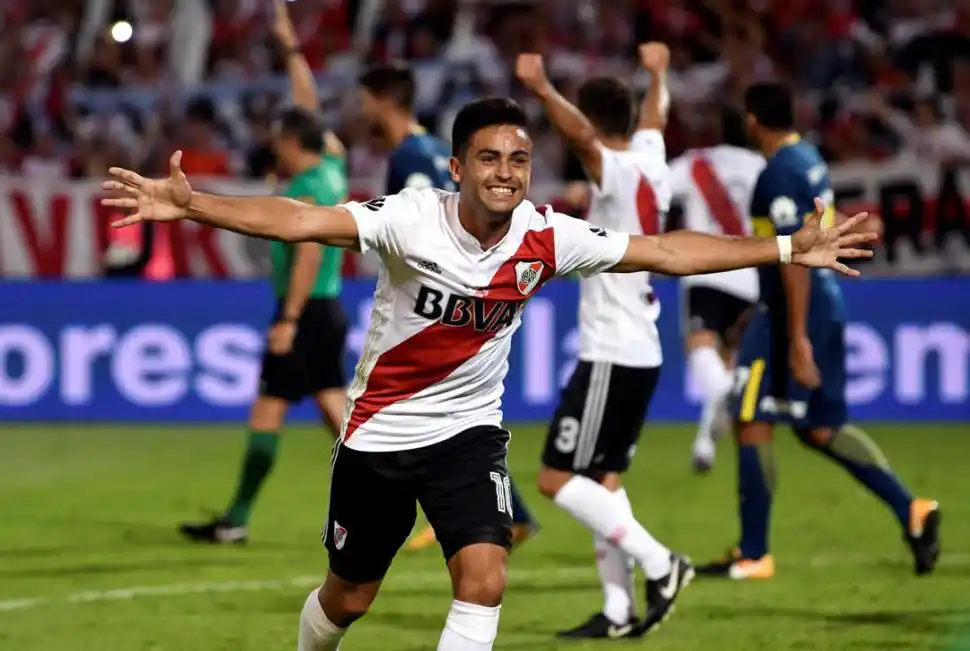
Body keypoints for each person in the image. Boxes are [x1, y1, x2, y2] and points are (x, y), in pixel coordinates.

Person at [102, 96, 876, 651]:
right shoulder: (410, 218)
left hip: (468, 435)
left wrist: (784, 249)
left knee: (484, 578)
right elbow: (302, 219)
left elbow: (666, 252)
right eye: (489, 158)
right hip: (379, 435)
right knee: (350, 596)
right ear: (457, 167)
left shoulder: (547, 236)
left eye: (519, 159)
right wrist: (194, 203)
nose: (506, 173)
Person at [695, 82, 941, 581]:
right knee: (819, 427)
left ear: (753, 120)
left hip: (794, 308)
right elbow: (819, 229)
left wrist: (797, 337)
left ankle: (754, 553)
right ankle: (912, 509)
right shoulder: (808, 157)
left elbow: (795, 258)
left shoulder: (778, 172)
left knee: (751, 418)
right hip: (818, 303)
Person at [516, 44, 690, 639]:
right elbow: (656, 118)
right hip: (641, 348)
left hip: (613, 350)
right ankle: (619, 613)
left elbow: (589, 143)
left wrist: (542, 90)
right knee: (603, 485)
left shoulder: (613, 169)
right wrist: (659, 74)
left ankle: (663, 564)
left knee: (556, 478)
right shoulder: (650, 158)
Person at [179, 0, 349, 544]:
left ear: (291, 145)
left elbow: (305, 255)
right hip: (325, 307)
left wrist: (288, 318)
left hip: (305, 308)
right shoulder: (331, 167)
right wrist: (290, 46)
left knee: (271, 409)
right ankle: (397, 490)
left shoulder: (305, 190)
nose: (273, 148)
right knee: (336, 411)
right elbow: (309, 105)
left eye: (279, 142)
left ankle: (237, 518)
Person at [358, 62, 538, 550]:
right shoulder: (438, 148)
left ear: (382, 100)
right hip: (470, 291)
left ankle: (472, 512)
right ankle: (490, 510)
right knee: (464, 420)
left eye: (365, 99)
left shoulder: (411, 156)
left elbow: (421, 233)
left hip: (437, 299)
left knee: (440, 412)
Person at [667, 106, 765, 473]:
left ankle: (725, 397)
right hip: (751, 274)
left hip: (705, 269)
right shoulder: (761, 167)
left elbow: (657, 189)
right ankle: (705, 445)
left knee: (701, 350)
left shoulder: (696, 164)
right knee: (726, 362)